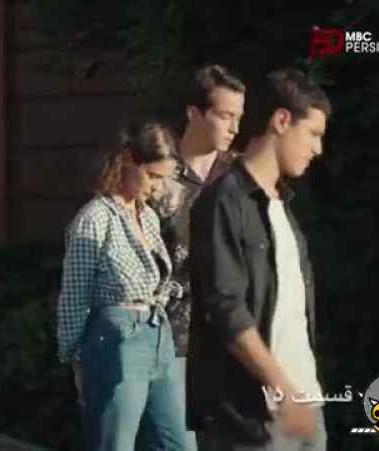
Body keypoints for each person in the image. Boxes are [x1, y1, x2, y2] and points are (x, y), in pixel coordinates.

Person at [187, 68, 331, 451]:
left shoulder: (284, 207)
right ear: (281, 120)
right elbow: (226, 310)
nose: (318, 149)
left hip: (306, 408)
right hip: (251, 420)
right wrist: (283, 390)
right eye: (313, 133)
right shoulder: (223, 201)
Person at [57, 119, 187, 450]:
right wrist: (76, 359)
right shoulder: (94, 219)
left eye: (164, 178)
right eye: (153, 176)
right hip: (118, 340)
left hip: (159, 336)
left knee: (179, 443)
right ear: (128, 160)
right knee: (115, 443)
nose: (157, 187)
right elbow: (74, 295)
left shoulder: (149, 216)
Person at [145, 65, 245, 451]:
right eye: (225, 115)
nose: (234, 127)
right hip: (172, 343)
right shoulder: (157, 178)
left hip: (234, 346)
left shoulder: (241, 177)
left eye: (239, 117)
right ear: (194, 113)